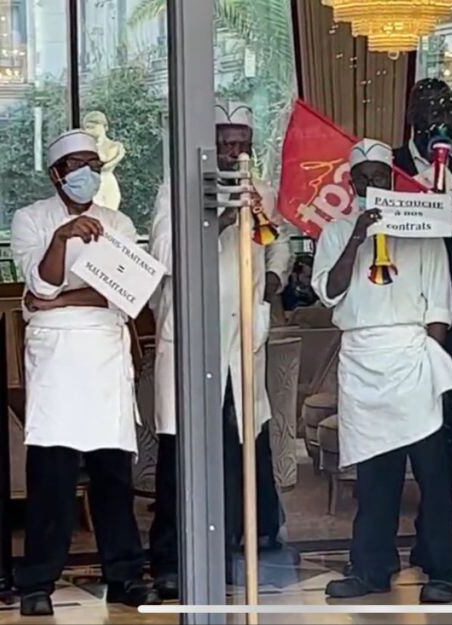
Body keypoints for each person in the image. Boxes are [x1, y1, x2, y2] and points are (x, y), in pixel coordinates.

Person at [147, 102, 292, 599]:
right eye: (224, 144)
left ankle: (248, 542)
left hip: (242, 339)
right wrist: (221, 219)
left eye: (240, 144)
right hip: (194, 340)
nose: (233, 153)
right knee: (181, 450)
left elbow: (280, 244)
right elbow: (165, 256)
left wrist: (273, 275)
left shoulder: (262, 191)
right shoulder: (175, 191)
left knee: (245, 442)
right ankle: (170, 556)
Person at [312, 138, 452, 604]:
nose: (373, 183)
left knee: (432, 475)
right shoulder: (336, 232)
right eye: (365, 178)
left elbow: (440, 303)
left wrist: (428, 362)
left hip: (412, 355)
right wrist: (358, 236)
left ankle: (444, 569)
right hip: (362, 359)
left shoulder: (422, 227)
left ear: (392, 178)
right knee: (375, 478)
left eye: (381, 176)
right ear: (353, 183)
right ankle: (371, 568)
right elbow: (330, 292)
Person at [10, 129, 156, 616]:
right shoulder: (30, 220)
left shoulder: (116, 221)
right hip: (56, 362)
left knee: (112, 476)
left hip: (104, 355)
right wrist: (61, 240)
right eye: (77, 166)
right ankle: (37, 582)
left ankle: (126, 575)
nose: (87, 174)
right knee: (51, 478)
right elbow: (40, 281)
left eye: (94, 164)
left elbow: (125, 294)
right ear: (56, 174)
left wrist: (56, 300)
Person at [392, 78, 452, 569]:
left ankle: (436, 534)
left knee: (447, 419)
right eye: (428, 110)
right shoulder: (389, 166)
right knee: (399, 423)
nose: (437, 119)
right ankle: (380, 541)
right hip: (402, 313)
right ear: (410, 116)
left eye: (446, 110)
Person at [82, 111, 126, 211]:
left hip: (107, 183)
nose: (88, 131)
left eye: (92, 127)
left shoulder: (113, 145)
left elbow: (104, 165)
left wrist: (118, 156)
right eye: (87, 128)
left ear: (103, 126)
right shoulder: (86, 146)